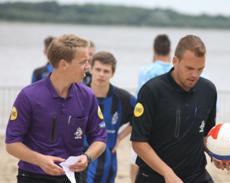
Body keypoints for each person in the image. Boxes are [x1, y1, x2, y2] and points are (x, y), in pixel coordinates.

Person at [131, 35, 230, 183]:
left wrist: (217, 154)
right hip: (155, 177)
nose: (195, 75)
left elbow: (206, 135)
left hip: (196, 175)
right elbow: (138, 142)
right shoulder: (151, 91)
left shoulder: (209, 90)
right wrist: (167, 173)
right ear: (175, 61)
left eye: (200, 69)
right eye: (189, 68)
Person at [5, 34, 107, 183]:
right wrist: (39, 160)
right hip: (33, 177)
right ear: (64, 64)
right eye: (83, 62)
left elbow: (100, 137)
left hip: (72, 177)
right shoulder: (29, 96)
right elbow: (11, 143)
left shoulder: (87, 95)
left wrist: (87, 157)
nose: (88, 67)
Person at [83, 51, 136, 183]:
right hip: (82, 158)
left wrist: (120, 136)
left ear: (112, 73)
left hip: (108, 160)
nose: (101, 74)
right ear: (90, 69)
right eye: (98, 69)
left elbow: (142, 118)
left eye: (106, 71)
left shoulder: (123, 98)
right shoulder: (78, 94)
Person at [130, 34, 172, 183]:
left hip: (147, 128)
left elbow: (139, 101)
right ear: (170, 50)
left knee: (136, 165)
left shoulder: (146, 70)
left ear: (154, 50)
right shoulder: (175, 70)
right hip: (169, 129)